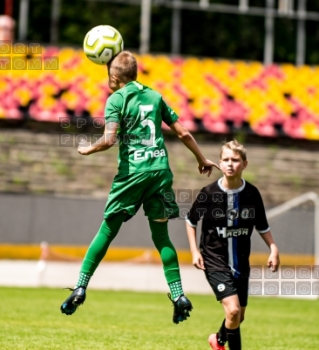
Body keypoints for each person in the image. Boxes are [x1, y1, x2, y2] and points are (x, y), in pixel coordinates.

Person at [60, 50, 220, 324]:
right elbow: (183, 132)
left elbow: (109, 140)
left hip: (132, 174)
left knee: (108, 230)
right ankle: (178, 294)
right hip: (159, 172)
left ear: (114, 77)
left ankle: (81, 286)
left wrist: (88, 149)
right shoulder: (155, 97)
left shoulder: (115, 100)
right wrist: (201, 158)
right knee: (161, 237)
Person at [185, 140, 280, 349]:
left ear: (244, 164)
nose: (230, 164)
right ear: (220, 163)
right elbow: (191, 221)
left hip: (240, 262)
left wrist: (273, 248)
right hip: (214, 259)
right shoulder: (208, 193)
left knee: (238, 316)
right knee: (233, 311)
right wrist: (194, 251)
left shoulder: (252, 194)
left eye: (235, 160)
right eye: (225, 160)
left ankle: (217, 340)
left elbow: (262, 225)